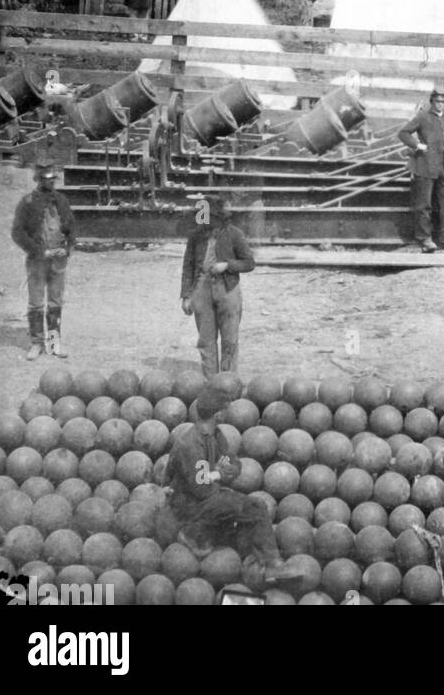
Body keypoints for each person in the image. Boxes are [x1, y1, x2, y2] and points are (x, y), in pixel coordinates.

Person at [165, 384, 307, 592]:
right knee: (253, 506)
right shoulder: (191, 444)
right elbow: (201, 487)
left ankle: (268, 563)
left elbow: (234, 464)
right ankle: (193, 534)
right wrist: (220, 474)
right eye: (225, 410)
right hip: (188, 507)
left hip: (205, 498)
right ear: (218, 414)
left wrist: (217, 474)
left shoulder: (215, 435)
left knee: (244, 506)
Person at [180, 193, 255, 378]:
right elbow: (188, 266)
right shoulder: (196, 235)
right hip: (201, 289)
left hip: (227, 289)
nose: (205, 221)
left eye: (209, 217)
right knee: (206, 341)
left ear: (219, 218)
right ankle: (210, 383)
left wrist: (228, 265)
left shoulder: (234, 234)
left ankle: (228, 383)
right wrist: (186, 296)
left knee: (229, 340)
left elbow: (249, 263)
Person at [11, 164, 75, 360]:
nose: (51, 182)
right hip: (37, 261)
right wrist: (36, 251)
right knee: (36, 304)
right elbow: (17, 232)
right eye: (47, 178)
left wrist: (68, 247)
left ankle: (54, 344)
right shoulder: (27, 202)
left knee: (55, 303)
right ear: (38, 180)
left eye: (53, 179)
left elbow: (71, 226)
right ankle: (37, 343)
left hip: (58, 259)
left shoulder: (61, 200)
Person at [398, 89, 444, 253]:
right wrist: (416, 145)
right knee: (424, 205)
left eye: (443, 102)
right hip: (424, 167)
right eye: (438, 101)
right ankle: (425, 239)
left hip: (442, 169)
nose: (441, 105)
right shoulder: (423, 116)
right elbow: (403, 133)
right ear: (432, 102)